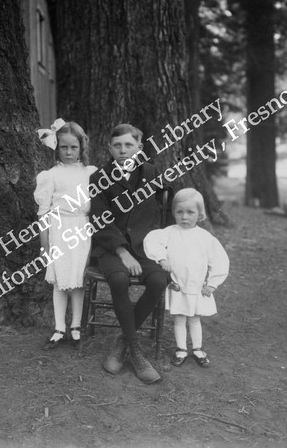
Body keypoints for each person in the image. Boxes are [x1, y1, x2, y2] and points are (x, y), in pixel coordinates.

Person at [90, 124, 170, 384]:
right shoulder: (99, 177)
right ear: (110, 148)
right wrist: (122, 251)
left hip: (144, 246)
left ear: (140, 148)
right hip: (111, 246)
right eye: (117, 146)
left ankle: (123, 340)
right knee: (119, 279)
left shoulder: (150, 172)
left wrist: (169, 242)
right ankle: (136, 352)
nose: (123, 151)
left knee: (159, 280)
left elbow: (169, 200)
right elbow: (99, 219)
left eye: (129, 145)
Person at [143, 188, 229, 367]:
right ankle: (181, 349)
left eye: (190, 212)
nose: (184, 217)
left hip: (196, 286)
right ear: (173, 213)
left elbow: (220, 260)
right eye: (179, 212)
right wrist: (161, 257)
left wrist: (212, 284)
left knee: (195, 319)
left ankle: (197, 349)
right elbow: (151, 240)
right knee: (180, 319)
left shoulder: (205, 238)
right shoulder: (169, 232)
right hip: (178, 286)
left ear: (200, 214)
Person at [34, 119, 97, 349]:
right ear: (56, 147)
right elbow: (43, 213)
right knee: (60, 281)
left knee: (78, 279)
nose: (69, 152)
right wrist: (44, 245)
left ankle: (76, 326)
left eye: (73, 147)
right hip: (59, 229)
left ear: (81, 148)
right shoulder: (50, 176)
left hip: (83, 228)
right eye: (64, 147)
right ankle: (59, 327)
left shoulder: (90, 173)